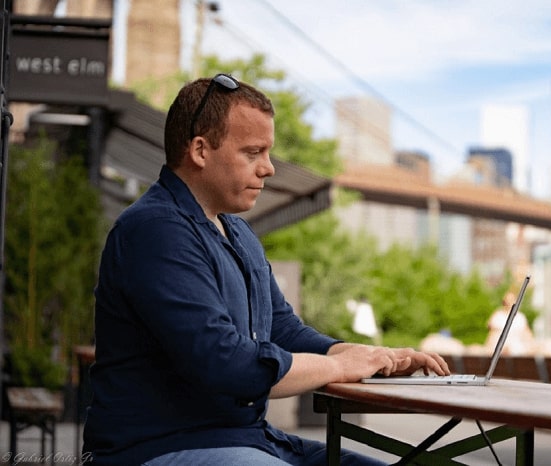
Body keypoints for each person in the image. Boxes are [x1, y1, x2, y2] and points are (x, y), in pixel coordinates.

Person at [82, 74, 450, 466]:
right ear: (201, 150)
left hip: (249, 439)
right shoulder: (155, 229)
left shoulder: (238, 232)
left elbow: (281, 329)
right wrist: (339, 366)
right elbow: (223, 362)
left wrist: (371, 357)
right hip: (158, 447)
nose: (269, 169)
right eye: (253, 152)